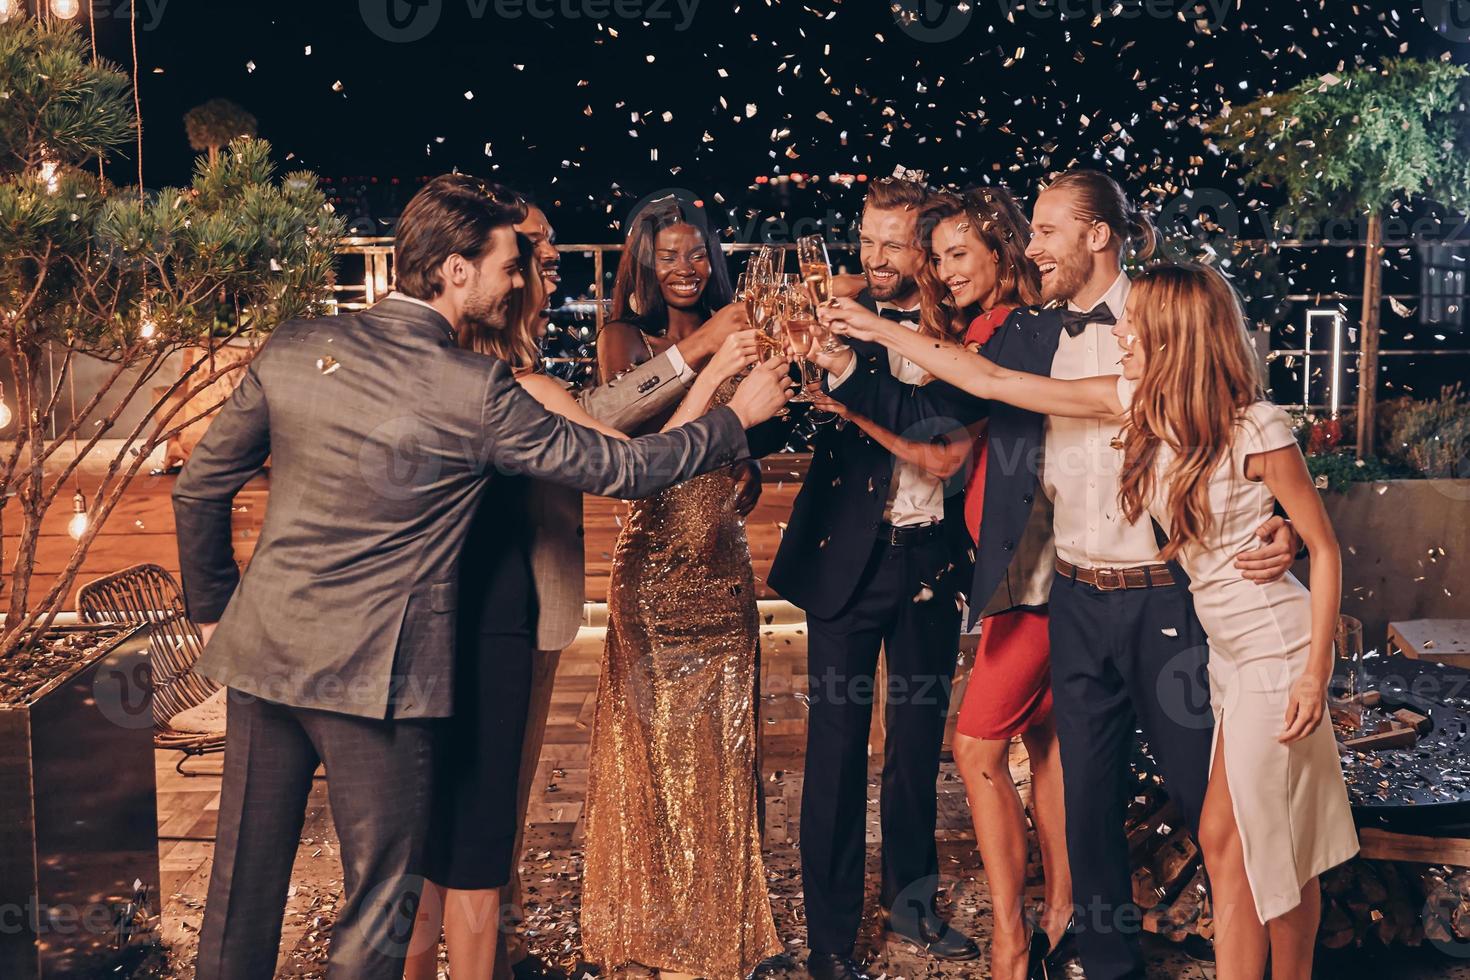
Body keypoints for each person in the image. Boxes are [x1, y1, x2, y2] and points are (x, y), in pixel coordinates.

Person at [174, 174, 793, 980]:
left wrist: (216, 612)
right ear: (456, 270)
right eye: (509, 263)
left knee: (239, 901)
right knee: (377, 911)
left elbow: (199, 486)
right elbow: (627, 470)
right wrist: (734, 418)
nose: (520, 280)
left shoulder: (295, 345)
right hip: (382, 685)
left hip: (261, 664)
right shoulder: (474, 390)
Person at [812, 169, 1304, 980]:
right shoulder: (1030, 332)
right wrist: (854, 347)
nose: (1028, 247)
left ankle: (1260, 959)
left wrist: (1277, 525)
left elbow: (1243, 418)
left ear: (1098, 236)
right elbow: (957, 389)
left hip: (1169, 598)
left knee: (1212, 806)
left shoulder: (1164, 318)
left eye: (1044, 233)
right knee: (1088, 807)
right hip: (1070, 596)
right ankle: (1107, 963)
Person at [404, 233, 766, 980]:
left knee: (427, 832)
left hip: (419, 627)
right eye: (529, 260)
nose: (544, 269)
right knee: (475, 833)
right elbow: (627, 463)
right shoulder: (517, 388)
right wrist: (724, 390)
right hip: (499, 625)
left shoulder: (430, 374)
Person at [768, 175, 981, 980]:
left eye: (894, 243)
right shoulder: (834, 316)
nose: (875, 258)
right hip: (847, 561)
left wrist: (849, 375)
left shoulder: (963, 331)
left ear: (926, 249)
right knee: (834, 752)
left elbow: (935, 427)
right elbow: (790, 414)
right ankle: (829, 942)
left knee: (917, 749)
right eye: (866, 240)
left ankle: (913, 910)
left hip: (933, 561)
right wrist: (798, 370)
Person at [579, 196, 785, 980]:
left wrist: (751, 466)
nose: (685, 267)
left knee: (725, 747)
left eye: (696, 252)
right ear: (641, 262)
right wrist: (712, 359)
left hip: (720, 559)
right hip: (654, 566)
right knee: (652, 747)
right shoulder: (621, 339)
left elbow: (753, 430)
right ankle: (655, 922)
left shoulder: (742, 322)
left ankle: (725, 925)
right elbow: (632, 443)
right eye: (668, 254)